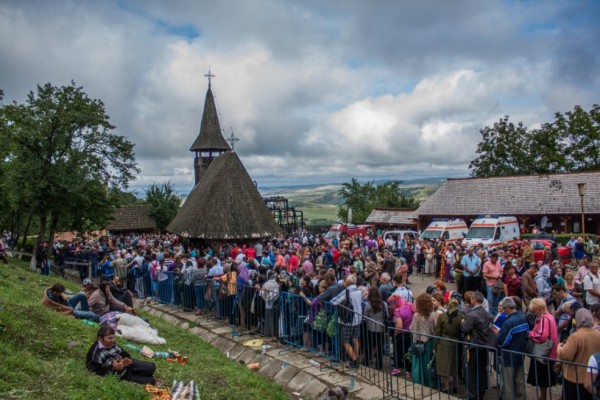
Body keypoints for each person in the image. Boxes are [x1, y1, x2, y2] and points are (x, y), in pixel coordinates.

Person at [86, 325, 156, 384]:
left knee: (152, 367)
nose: (113, 340)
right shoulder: (95, 353)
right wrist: (113, 367)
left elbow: (123, 352)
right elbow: (96, 370)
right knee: (151, 381)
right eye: (109, 338)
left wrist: (126, 359)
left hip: (127, 365)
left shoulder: (112, 343)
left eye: (113, 337)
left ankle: (139, 371)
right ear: (100, 338)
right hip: (121, 373)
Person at [558, 308, 600, 400]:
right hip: (592, 377)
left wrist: (559, 347)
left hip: (574, 378)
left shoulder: (576, 336)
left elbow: (565, 355)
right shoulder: (598, 334)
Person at [460, 291, 495, 400]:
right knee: (481, 370)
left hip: (473, 346)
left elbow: (465, 329)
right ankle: (480, 393)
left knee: (471, 372)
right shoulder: (488, 314)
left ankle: (472, 395)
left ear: (473, 300)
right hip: (484, 346)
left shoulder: (471, 315)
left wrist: (462, 322)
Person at [495, 297, 529, 400]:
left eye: (504, 309)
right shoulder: (523, 317)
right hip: (520, 354)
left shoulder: (509, 322)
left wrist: (497, 336)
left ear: (508, 308)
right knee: (519, 381)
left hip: (508, 356)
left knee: (508, 384)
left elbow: (503, 341)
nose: (503, 311)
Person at [331, 274, 362, 368]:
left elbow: (335, 302)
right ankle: (356, 358)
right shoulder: (359, 290)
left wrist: (333, 302)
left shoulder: (347, 291)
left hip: (348, 319)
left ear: (347, 282)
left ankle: (354, 360)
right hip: (358, 318)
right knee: (355, 338)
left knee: (345, 340)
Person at [435, 297, 462, 394]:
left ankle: (446, 386)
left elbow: (437, 331)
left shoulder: (442, 316)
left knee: (443, 366)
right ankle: (455, 385)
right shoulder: (460, 317)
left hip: (443, 343)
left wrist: (435, 344)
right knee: (454, 365)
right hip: (455, 343)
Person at [410, 293, 437, 388]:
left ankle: (419, 382)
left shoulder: (416, 316)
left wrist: (414, 342)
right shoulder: (433, 315)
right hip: (429, 342)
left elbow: (412, 329)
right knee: (429, 364)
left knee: (418, 364)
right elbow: (436, 328)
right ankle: (431, 383)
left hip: (418, 342)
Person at [388, 293, 415, 377]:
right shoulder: (409, 305)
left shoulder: (398, 312)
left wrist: (395, 333)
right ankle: (408, 370)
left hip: (401, 335)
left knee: (397, 351)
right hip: (409, 333)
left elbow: (399, 326)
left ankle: (396, 368)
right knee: (407, 352)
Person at [362, 287, 388, 369]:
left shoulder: (368, 304)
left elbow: (365, 316)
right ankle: (379, 364)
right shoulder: (384, 304)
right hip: (380, 328)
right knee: (380, 346)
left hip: (370, 327)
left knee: (369, 345)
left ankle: (366, 361)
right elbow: (386, 315)